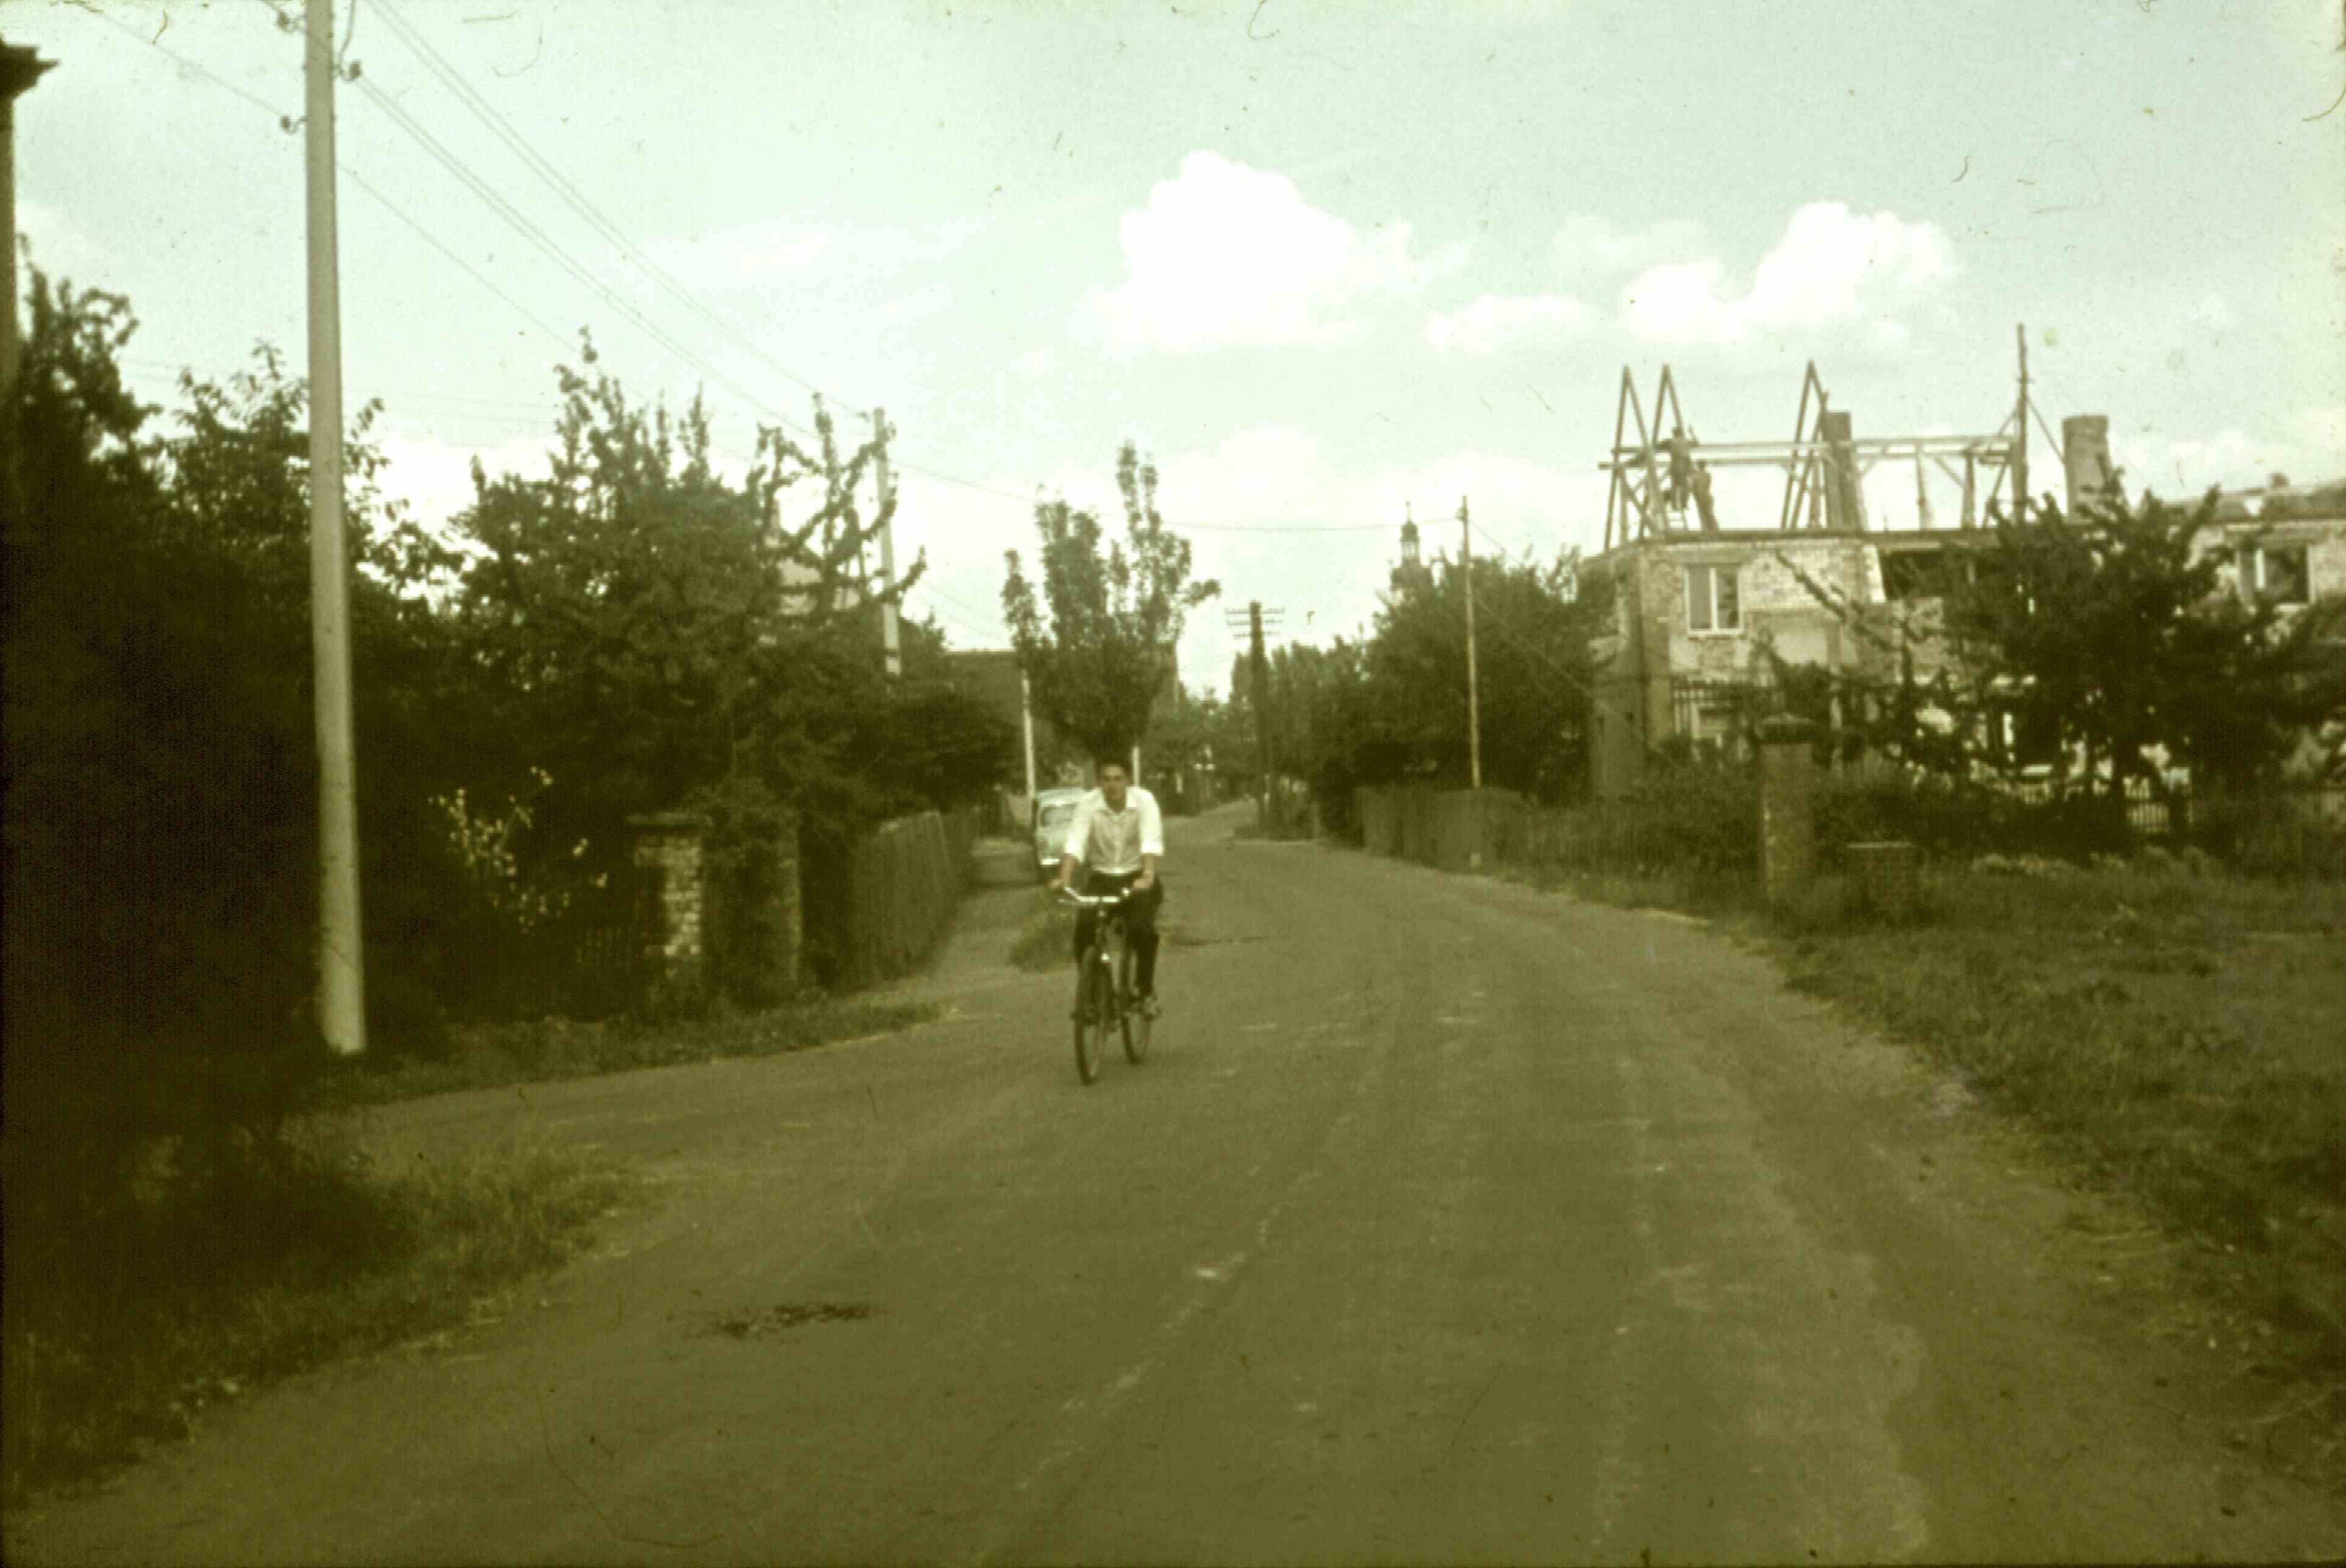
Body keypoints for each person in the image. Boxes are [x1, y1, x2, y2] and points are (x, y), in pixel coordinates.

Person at [1050, 756, 1164, 1020]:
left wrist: (1147, 876)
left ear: (1128, 781)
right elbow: (1075, 843)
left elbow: (1150, 841)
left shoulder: (1144, 802)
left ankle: (1144, 992)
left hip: (1137, 876)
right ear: (1098, 781)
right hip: (1101, 877)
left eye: (1117, 779)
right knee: (1084, 933)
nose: (1112, 785)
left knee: (1141, 930)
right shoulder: (1088, 804)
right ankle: (1094, 999)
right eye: (1106, 779)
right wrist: (1064, 879)